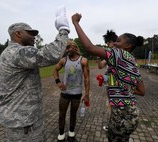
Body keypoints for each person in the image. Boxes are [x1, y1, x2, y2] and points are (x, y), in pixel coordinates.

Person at [0, 6, 70, 142]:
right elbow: (48, 55)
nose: (34, 36)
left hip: (23, 119)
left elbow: (43, 58)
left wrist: (64, 50)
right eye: (30, 33)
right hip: (23, 122)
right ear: (18, 34)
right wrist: (63, 29)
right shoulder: (16, 52)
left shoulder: (14, 53)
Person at [72, 13, 145, 142]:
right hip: (131, 114)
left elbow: (89, 47)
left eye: (118, 41)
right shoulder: (132, 61)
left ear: (127, 46)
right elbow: (142, 91)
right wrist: (123, 89)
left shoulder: (119, 54)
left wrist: (76, 23)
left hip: (121, 115)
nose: (115, 44)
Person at [53, 40, 90, 142]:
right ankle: (61, 136)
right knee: (62, 114)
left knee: (73, 114)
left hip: (77, 94)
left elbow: (87, 78)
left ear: (75, 47)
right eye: (66, 47)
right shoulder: (64, 60)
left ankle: (71, 135)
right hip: (65, 94)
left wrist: (87, 94)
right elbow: (55, 70)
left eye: (69, 47)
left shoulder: (83, 61)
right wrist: (58, 82)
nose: (67, 49)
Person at [97, 30, 118, 132]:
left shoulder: (116, 53)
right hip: (111, 83)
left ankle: (113, 126)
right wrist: (99, 57)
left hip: (115, 84)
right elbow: (101, 66)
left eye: (107, 43)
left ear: (112, 41)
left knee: (113, 104)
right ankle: (113, 124)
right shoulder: (111, 54)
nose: (107, 45)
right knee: (112, 104)